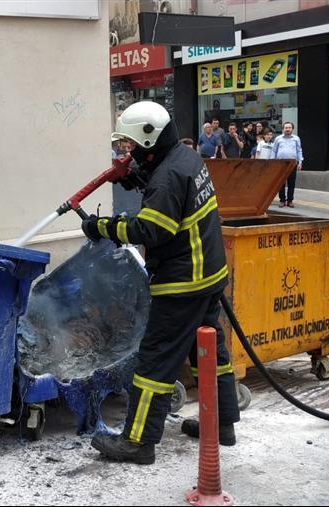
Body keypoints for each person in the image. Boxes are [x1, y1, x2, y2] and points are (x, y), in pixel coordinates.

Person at [81, 101, 240, 465]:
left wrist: (104, 227)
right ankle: (223, 423)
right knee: (210, 353)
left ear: (150, 139)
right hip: (209, 275)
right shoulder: (185, 158)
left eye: (134, 146)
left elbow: (153, 229)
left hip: (182, 283)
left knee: (155, 361)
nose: (130, 152)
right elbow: (174, 203)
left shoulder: (167, 176)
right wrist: (139, 179)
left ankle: (138, 442)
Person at [273, 122, 303, 207]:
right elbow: (274, 151)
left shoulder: (296, 138)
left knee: (291, 183)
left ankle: (290, 201)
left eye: (289, 127)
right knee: (281, 183)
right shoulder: (278, 138)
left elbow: (299, 150)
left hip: (292, 163)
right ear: (283, 129)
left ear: (292, 129)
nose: (287, 129)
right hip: (280, 164)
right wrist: (272, 162)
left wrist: (300, 162)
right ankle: (282, 200)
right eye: (286, 127)